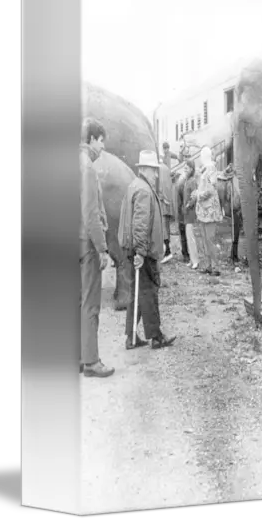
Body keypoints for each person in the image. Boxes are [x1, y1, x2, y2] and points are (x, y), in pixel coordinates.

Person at [118, 150, 176, 350]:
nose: (156, 174)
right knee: (149, 292)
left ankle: (131, 337)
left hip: (135, 248)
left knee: (137, 293)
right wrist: (141, 253)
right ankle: (156, 336)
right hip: (144, 250)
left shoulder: (135, 186)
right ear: (144, 169)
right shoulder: (143, 190)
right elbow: (141, 225)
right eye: (153, 170)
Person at [79, 118, 115, 378]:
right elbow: (90, 213)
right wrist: (102, 248)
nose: (102, 147)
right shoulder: (87, 168)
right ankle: (91, 361)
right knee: (91, 303)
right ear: (92, 139)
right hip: (86, 244)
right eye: (101, 141)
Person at [195, 146, 223, 276]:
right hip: (204, 211)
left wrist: (198, 195)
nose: (200, 158)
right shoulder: (205, 169)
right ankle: (208, 265)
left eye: (201, 155)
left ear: (205, 156)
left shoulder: (211, 168)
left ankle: (215, 267)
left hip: (210, 211)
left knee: (209, 239)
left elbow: (211, 190)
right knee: (205, 239)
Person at [182, 160, 201, 270]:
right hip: (187, 213)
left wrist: (188, 205)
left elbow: (194, 196)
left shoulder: (192, 181)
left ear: (192, 169)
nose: (185, 169)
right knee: (189, 237)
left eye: (187, 168)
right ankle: (191, 259)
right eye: (184, 167)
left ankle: (196, 261)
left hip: (191, 214)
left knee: (191, 237)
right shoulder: (187, 180)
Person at [157, 156, 174, 264]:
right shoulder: (166, 168)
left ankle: (167, 252)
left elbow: (161, 186)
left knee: (163, 229)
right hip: (167, 203)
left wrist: (161, 197)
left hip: (162, 203)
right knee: (166, 228)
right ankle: (166, 251)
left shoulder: (159, 169)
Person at [174, 167, 190, 264]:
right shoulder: (183, 184)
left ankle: (185, 253)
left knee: (183, 233)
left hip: (180, 211)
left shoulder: (179, 183)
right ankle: (186, 254)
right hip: (183, 212)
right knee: (185, 233)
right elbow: (183, 201)